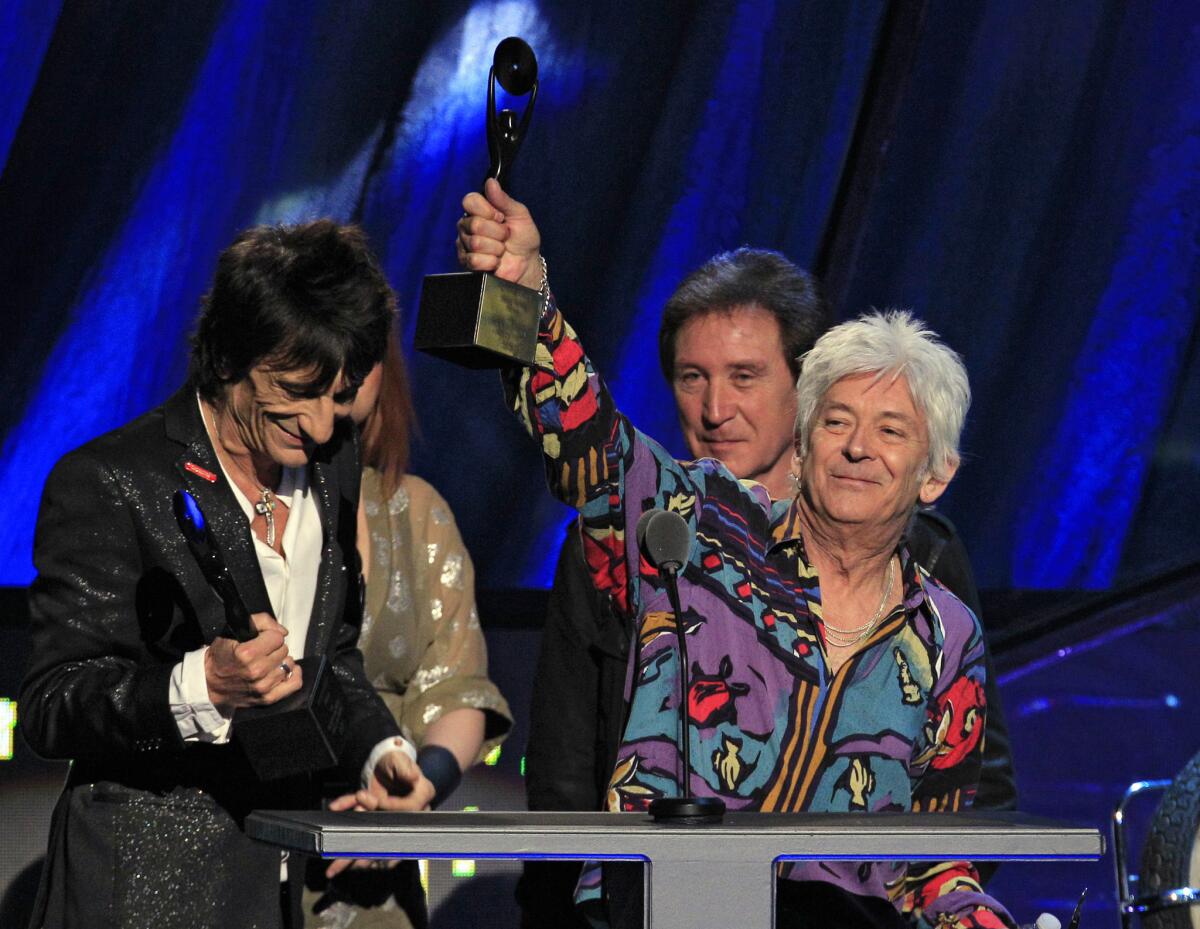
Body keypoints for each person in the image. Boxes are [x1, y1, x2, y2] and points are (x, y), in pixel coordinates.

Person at [459, 180, 1015, 929]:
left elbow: (939, 851)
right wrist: (527, 292)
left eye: (890, 431)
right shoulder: (696, 523)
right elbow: (585, 436)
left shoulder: (946, 633)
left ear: (936, 472)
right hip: (672, 906)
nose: (856, 446)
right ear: (806, 431)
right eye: (839, 420)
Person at [20, 221, 433, 929]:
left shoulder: (329, 467)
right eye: (295, 388)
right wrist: (198, 687)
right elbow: (53, 702)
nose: (318, 422)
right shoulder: (111, 480)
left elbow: (329, 658)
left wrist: (380, 752)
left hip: (274, 889)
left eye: (337, 395)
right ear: (230, 357)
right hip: (139, 891)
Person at [302, 333, 513, 928]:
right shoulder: (234, 505)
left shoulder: (416, 512)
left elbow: (459, 689)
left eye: (359, 355)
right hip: (245, 839)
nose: (340, 377)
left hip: (372, 863)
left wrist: (419, 790)